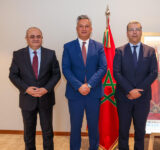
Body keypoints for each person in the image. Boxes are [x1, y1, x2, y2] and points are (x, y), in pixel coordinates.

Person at [9, 27, 61, 150]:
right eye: (32, 36)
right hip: (27, 100)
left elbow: (56, 74)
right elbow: (13, 75)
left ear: (42, 38)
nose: (35, 39)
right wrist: (26, 88)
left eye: (38, 36)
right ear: (26, 38)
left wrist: (46, 89)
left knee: (48, 133)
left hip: (46, 99)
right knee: (28, 134)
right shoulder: (18, 54)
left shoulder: (50, 54)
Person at [62, 15, 107, 150]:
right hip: (75, 94)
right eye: (81, 26)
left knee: (93, 126)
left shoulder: (98, 46)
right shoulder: (68, 47)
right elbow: (66, 69)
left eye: (87, 26)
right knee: (75, 126)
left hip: (93, 93)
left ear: (91, 29)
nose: (84, 29)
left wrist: (89, 85)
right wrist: (79, 86)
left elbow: (103, 67)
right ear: (77, 28)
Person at [113, 21, 158, 150]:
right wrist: (130, 90)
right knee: (123, 130)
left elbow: (153, 73)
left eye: (137, 29)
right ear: (127, 33)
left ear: (141, 31)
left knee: (140, 131)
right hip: (123, 97)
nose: (134, 32)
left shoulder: (150, 51)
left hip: (142, 98)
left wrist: (139, 91)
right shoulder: (119, 51)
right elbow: (117, 73)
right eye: (131, 29)